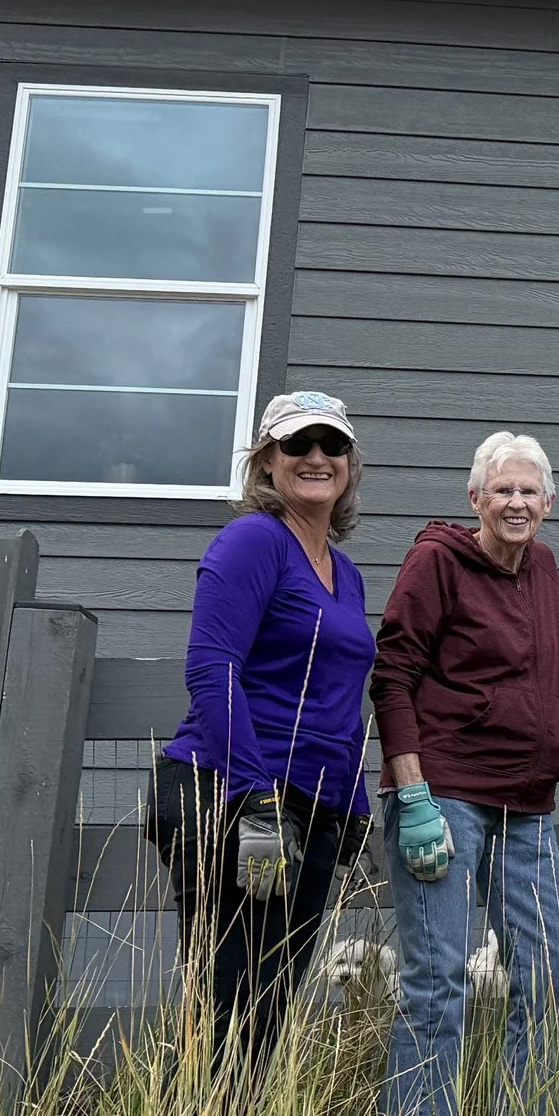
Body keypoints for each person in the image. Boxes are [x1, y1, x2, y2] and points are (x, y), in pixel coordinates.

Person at [369, 430, 559, 1116]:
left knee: (548, 977)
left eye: (529, 491)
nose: (515, 502)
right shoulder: (437, 562)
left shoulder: (540, 568)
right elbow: (392, 672)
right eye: (501, 490)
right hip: (448, 797)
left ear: (549, 503)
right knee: (437, 986)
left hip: (529, 805)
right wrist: (412, 797)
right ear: (475, 500)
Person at [149, 391, 374, 1067]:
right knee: (228, 1015)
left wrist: (355, 804)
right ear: (267, 460)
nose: (315, 457)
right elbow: (211, 668)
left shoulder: (347, 573)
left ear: (350, 465)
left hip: (308, 806)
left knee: (265, 1017)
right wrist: (255, 797)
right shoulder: (254, 541)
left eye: (331, 445)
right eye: (296, 444)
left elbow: (339, 697)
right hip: (232, 793)